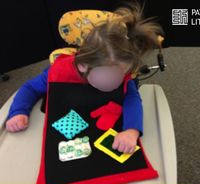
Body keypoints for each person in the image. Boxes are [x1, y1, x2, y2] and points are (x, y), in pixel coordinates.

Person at [6, 3, 163, 154]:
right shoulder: (59, 71)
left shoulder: (124, 74)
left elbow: (132, 99)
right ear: (82, 66)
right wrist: (19, 112)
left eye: (120, 75)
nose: (114, 82)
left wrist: (131, 130)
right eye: (107, 76)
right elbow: (30, 88)